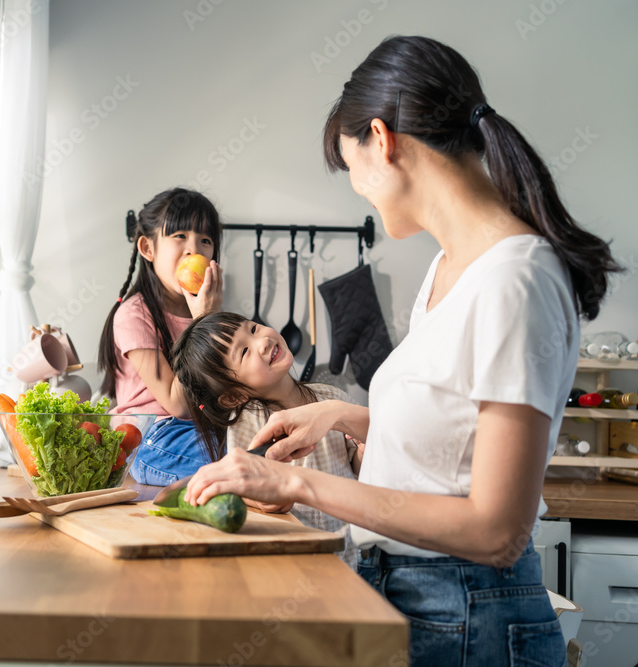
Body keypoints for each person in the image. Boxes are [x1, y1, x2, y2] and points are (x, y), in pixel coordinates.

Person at [182, 36, 619, 667]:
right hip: (420, 598)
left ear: (382, 141)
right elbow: (451, 445)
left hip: (470, 609)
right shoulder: (450, 267)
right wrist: (339, 417)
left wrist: (296, 482)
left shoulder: (513, 279)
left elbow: (496, 530)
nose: (358, 188)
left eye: (350, 166)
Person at [171, 311, 364, 569]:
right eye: (244, 352)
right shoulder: (249, 422)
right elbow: (245, 483)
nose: (262, 341)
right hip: (298, 560)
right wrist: (261, 499)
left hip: (354, 555)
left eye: (252, 329)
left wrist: (364, 449)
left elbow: (359, 467)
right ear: (233, 396)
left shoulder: (331, 398)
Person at [97, 188, 224, 485]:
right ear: (148, 248)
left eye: (205, 240)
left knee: (258, 444)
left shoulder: (205, 311)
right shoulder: (134, 314)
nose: (194, 250)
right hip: (149, 438)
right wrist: (205, 322)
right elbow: (176, 404)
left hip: (196, 429)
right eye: (179, 235)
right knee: (241, 460)